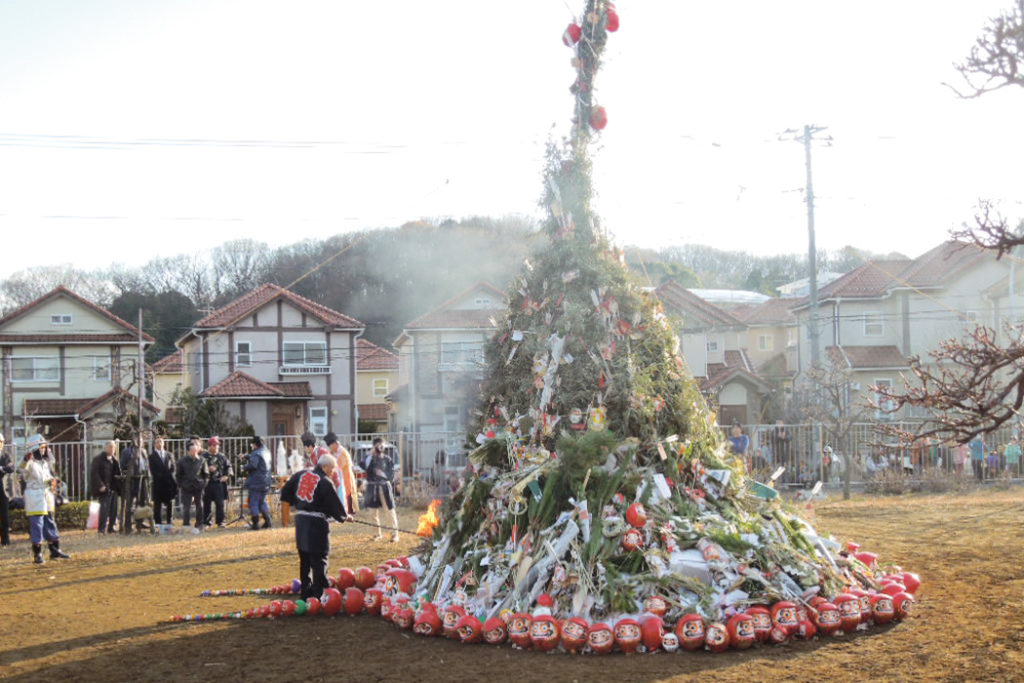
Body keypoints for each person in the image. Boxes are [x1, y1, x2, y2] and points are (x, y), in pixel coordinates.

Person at [279, 453, 348, 600]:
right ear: (324, 466)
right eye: (332, 468)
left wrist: (297, 504)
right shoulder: (325, 481)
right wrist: (344, 517)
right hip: (316, 524)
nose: (333, 471)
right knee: (319, 558)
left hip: (301, 521)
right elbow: (334, 505)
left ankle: (306, 593)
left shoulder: (300, 474)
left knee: (305, 558)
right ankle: (319, 594)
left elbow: (285, 492)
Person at [21, 434, 70, 563]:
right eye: (41, 447)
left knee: (50, 522)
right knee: (37, 525)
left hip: (47, 495)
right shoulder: (29, 463)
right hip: (34, 496)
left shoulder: (45, 463)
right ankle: (38, 554)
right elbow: (20, 472)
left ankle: (55, 551)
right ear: (35, 448)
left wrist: (54, 481)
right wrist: (25, 460)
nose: (44, 450)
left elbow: (47, 477)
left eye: (45, 447)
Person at [365, 436, 399, 542]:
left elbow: (391, 476)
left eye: (381, 445)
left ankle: (394, 534)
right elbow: (363, 466)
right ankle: (377, 534)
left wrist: (383, 475)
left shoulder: (387, 459)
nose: (379, 448)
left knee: (389, 511)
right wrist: (370, 455)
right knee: (372, 513)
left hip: (384, 487)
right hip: (372, 487)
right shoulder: (369, 459)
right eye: (377, 446)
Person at [90, 440, 122, 534]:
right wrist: (100, 485)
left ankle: (111, 528)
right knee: (104, 510)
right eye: (110, 447)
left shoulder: (114, 459)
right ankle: (101, 529)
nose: (113, 449)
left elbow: (117, 473)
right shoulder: (98, 459)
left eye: (114, 447)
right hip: (104, 488)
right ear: (106, 448)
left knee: (114, 510)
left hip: (113, 488)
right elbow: (94, 474)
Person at [119, 436, 151, 532]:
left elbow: (146, 465)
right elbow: (122, 465)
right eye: (138, 440)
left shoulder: (144, 451)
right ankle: (127, 525)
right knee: (129, 504)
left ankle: (139, 523)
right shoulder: (127, 451)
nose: (139, 442)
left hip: (142, 480)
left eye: (141, 441)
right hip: (131, 480)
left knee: (142, 503)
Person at [176, 439, 208, 529]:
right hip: (186, 487)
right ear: (188, 451)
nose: (194, 453)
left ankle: (199, 523)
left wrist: (204, 484)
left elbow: (206, 474)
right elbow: (178, 475)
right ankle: (186, 524)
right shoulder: (182, 461)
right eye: (192, 451)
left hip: (199, 486)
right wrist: (181, 485)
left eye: (196, 451)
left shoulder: (202, 460)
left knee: (200, 506)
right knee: (187, 506)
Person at [243, 436, 273, 530]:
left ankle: (255, 524)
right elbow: (260, 461)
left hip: (256, 481)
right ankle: (268, 522)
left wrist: (243, 467)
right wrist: (247, 456)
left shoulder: (256, 453)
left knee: (254, 502)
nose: (251, 446)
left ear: (255, 444)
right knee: (262, 501)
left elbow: (253, 465)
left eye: (252, 444)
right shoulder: (266, 452)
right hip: (266, 481)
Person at [325, 432, 359, 515]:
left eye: (330, 446)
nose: (330, 448)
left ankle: (350, 510)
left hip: (345, 473)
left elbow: (341, 464)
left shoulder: (342, 452)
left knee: (348, 490)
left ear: (335, 444)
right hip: (339, 474)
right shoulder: (334, 452)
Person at [202, 436, 231, 527]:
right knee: (206, 503)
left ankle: (221, 521)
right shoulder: (203, 456)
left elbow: (229, 467)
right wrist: (207, 469)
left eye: (217, 445)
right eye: (214, 445)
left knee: (220, 503)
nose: (216, 447)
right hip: (207, 483)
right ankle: (206, 522)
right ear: (210, 446)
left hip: (219, 483)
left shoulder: (222, 456)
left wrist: (227, 476)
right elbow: (198, 468)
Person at [148, 435, 177, 525]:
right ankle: (158, 522)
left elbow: (173, 467)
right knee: (158, 503)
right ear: (154, 444)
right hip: (158, 483)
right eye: (157, 442)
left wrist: (169, 475)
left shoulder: (169, 454)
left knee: (170, 503)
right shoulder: (152, 456)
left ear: (164, 443)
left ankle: (169, 520)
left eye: (161, 441)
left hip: (168, 483)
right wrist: (161, 476)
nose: (159, 443)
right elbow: (153, 470)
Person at [0, 433, 13, 547]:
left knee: (4, 516)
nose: (0, 444)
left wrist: (1, 468)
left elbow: (11, 468)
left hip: (3, 490)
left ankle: (5, 539)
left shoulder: (5, 455)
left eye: (1, 442)